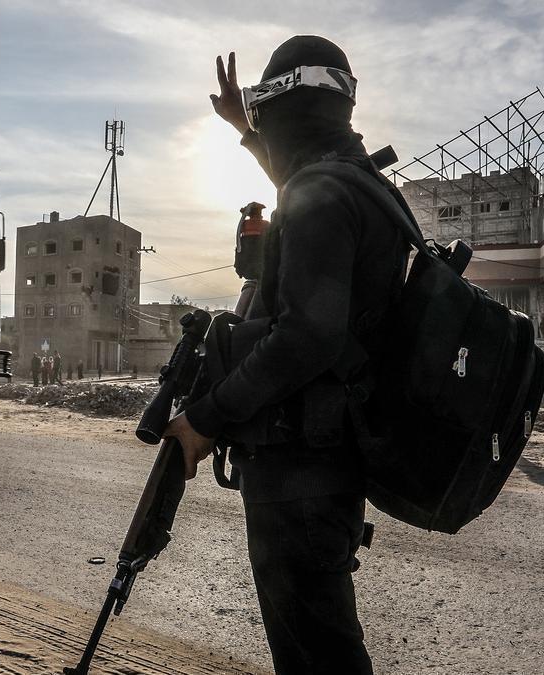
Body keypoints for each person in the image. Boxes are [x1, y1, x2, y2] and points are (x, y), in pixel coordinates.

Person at [162, 37, 409, 674]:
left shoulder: (321, 194)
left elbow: (306, 337)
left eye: (268, 115)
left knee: (316, 655)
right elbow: (305, 191)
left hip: (301, 467)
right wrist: (245, 130)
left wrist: (206, 418)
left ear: (286, 108)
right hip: (326, 461)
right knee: (320, 644)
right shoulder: (355, 185)